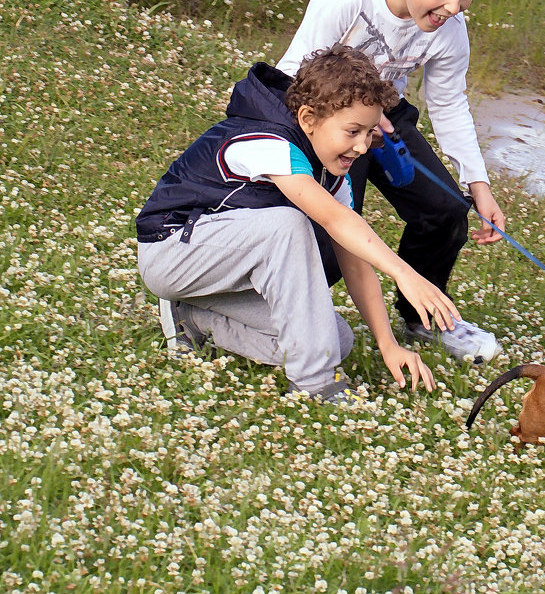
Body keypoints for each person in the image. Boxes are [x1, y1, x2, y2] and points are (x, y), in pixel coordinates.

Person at [136, 45, 460, 401]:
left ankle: (192, 319)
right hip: (170, 254)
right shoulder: (268, 142)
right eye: (353, 131)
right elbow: (335, 219)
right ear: (308, 118)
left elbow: (354, 259)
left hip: (221, 273)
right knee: (287, 225)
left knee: (333, 340)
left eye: (369, 133)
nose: (363, 146)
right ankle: (315, 384)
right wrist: (404, 273)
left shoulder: (331, 170)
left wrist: (388, 344)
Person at [276, 0, 504, 364]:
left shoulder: (449, 29)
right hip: (326, 121)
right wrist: (333, 130)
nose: (453, 8)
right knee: (338, 231)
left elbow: (449, 103)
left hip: (388, 119)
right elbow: (290, 81)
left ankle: (423, 320)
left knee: (444, 212)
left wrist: (478, 184)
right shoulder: (342, 1)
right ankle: (263, 310)